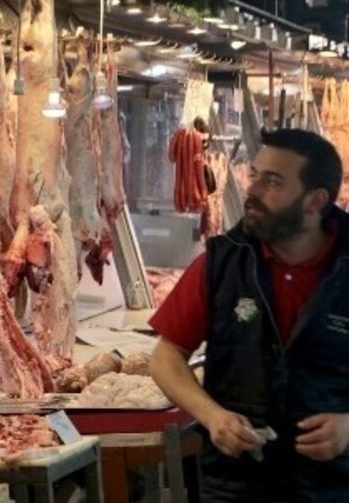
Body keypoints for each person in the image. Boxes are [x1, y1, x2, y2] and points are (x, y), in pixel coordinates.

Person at [148, 128, 349, 501]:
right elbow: (166, 357)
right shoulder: (222, 262)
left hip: (333, 486)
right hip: (236, 484)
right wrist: (211, 416)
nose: (252, 190)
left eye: (272, 181)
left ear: (315, 201)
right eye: (254, 174)